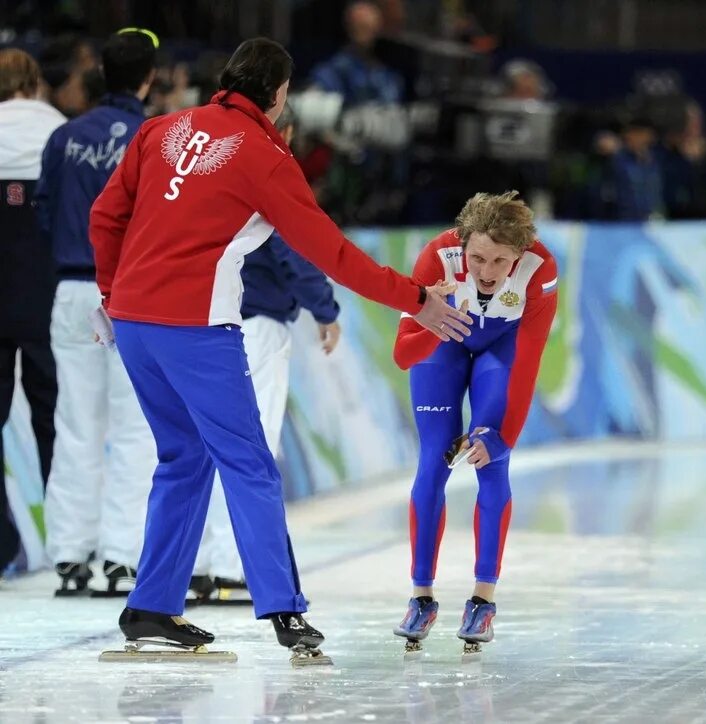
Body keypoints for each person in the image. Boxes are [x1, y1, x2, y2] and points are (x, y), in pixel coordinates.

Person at [88, 37, 470, 661]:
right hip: (195, 327)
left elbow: (105, 217)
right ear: (280, 94)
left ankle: (152, 607)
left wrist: (111, 293)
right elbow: (333, 254)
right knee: (249, 464)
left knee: (185, 459)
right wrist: (416, 298)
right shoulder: (265, 155)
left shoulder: (162, 127)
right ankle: (285, 611)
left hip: (133, 323)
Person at [391, 191, 558, 654]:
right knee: (433, 462)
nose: (486, 272)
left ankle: (483, 601)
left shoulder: (540, 270)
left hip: (500, 355)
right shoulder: (436, 259)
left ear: (520, 256)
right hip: (442, 345)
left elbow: (527, 362)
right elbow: (403, 356)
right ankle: (420, 597)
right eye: (478, 257)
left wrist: (504, 438)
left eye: (500, 261)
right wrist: (429, 316)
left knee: (490, 460)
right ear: (462, 246)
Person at [192, 102, 341, 604]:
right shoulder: (273, 172)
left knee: (203, 446)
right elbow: (295, 248)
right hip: (254, 323)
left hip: (196, 324)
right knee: (251, 447)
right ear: (288, 129)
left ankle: (203, 563)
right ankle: (232, 566)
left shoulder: (208, 161)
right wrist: (324, 308)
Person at [36, 29, 158, 597]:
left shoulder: (63, 137)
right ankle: (121, 558)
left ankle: (69, 555)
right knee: (134, 428)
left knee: (74, 422)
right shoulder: (156, 138)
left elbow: (43, 213)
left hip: (68, 291)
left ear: (98, 75)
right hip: (130, 296)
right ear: (149, 78)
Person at [0, 49, 66, 575]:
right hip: (47, 296)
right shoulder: (61, 134)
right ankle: (67, 545)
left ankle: (1, 544)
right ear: (36, 82)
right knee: (56, 421)